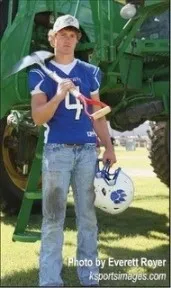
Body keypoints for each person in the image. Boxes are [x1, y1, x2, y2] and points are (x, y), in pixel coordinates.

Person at [28, 14, 117, 287]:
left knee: (88, 218)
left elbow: (97, 113)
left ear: (77, 40)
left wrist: (109, 147)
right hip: (58, 152)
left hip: (88, 151)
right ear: (52, 38)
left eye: (71, 35)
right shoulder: (40, 73)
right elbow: (38, 117)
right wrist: (58, 95)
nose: (66, 40)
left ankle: (89, 278)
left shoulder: (90, 73)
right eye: (61, 34)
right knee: (53, 218)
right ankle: (50, 280)